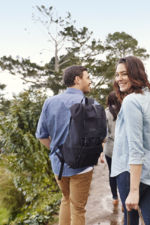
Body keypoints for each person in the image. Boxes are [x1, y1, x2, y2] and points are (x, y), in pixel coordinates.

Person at [36, 65, 104, 225]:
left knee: (66, 199)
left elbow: (41, 135)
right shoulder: (94, 105)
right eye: (87, 78)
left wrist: (58, 151)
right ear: (77, 79)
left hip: (59, 166)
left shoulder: (50, 102)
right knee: (78, 208)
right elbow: (102, 137)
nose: (90, 82)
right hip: (83, 166)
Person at [111, 56, 150, 225]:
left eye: (124, 74)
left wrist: (134, 190)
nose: (119, 79)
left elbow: (136, 147)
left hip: (131, 175)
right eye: (117, 75)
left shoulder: (131, 101)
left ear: (135, 74)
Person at [99, 91, 121, 206]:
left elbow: (104, 135)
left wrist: (101, 152)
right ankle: (125, 197)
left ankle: (114, 197)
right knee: (124, 173)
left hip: (110, 149)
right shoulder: (124, 110)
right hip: (123, 149)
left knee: (112, 173)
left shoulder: (106, 113)